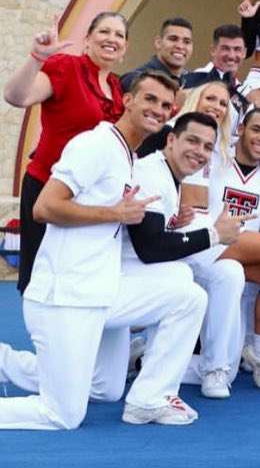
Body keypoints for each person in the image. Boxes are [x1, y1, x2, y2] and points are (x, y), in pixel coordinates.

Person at [0, 72, 207, 429]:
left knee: (108, 385)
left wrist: (161, 223)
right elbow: (45, 208)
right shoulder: (96, 144)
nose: (157, 109)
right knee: (63, 415)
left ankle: (148, 399)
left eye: (164, 105)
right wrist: (116, 213)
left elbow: (109, 223)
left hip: (100, 289)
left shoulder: (127, 154)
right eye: (149, 100)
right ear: (127, 100)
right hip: (63, 296)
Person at [128, 112, 252, 399]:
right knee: (99, 387)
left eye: (208, 147)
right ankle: (151, 376)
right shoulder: (150, 172)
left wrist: (173, 224)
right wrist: (215, 235)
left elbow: (154, 237)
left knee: (229, 271)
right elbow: (151, 250)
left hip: (141, 269)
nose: (200, 152)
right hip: (122, 275)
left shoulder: (173, 175)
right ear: (171, 139)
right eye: (192, 141)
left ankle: (214, 369)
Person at [5, 12, 129, 296]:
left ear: (124, 49)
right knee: (41, 277)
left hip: (88, 198)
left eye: (119, 35)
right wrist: (37, 58)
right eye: (104, 32)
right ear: (87, 39)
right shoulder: (66, 67)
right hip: (48, 188)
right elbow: (17, 97)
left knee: (74, 278)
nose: (111, 39)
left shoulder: (118, 89)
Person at [179, 108, 260, 392]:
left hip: (232, 258)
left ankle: (147, 359)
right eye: (257, 130)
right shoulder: (214, 159)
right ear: (241, 128)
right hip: (201, 243)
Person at [136, 79, 232, 159]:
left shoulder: (222, 149)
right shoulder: (167, 131)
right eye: (210, 99)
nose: (216, 107)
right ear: (196, 99)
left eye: (223, 104)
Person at [181, 24, 248, 126]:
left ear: (244, 53)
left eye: (237, 49)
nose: (231, 55)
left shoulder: (246, 92)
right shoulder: (192, 80)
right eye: (225, 48)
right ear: (213, 50)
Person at [120, 17, 193, 91]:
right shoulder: (135, 80)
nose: (180, 46)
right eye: (173, 39)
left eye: (187, 42)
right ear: (158, 42)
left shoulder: (193, 85)